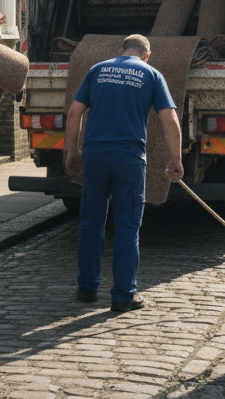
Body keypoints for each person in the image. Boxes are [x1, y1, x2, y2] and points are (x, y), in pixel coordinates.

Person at [65, 34, 184, 310]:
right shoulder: (152, 75)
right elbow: (169, 120)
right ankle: (122, 295)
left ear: (121, 51)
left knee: (91, 222)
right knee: (127, 227)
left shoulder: (97, 69)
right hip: (129, 158)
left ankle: (87, 288)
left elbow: (74, 112)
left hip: (94, 155)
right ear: (146, 55)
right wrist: (175, 159)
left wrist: (72, 151)